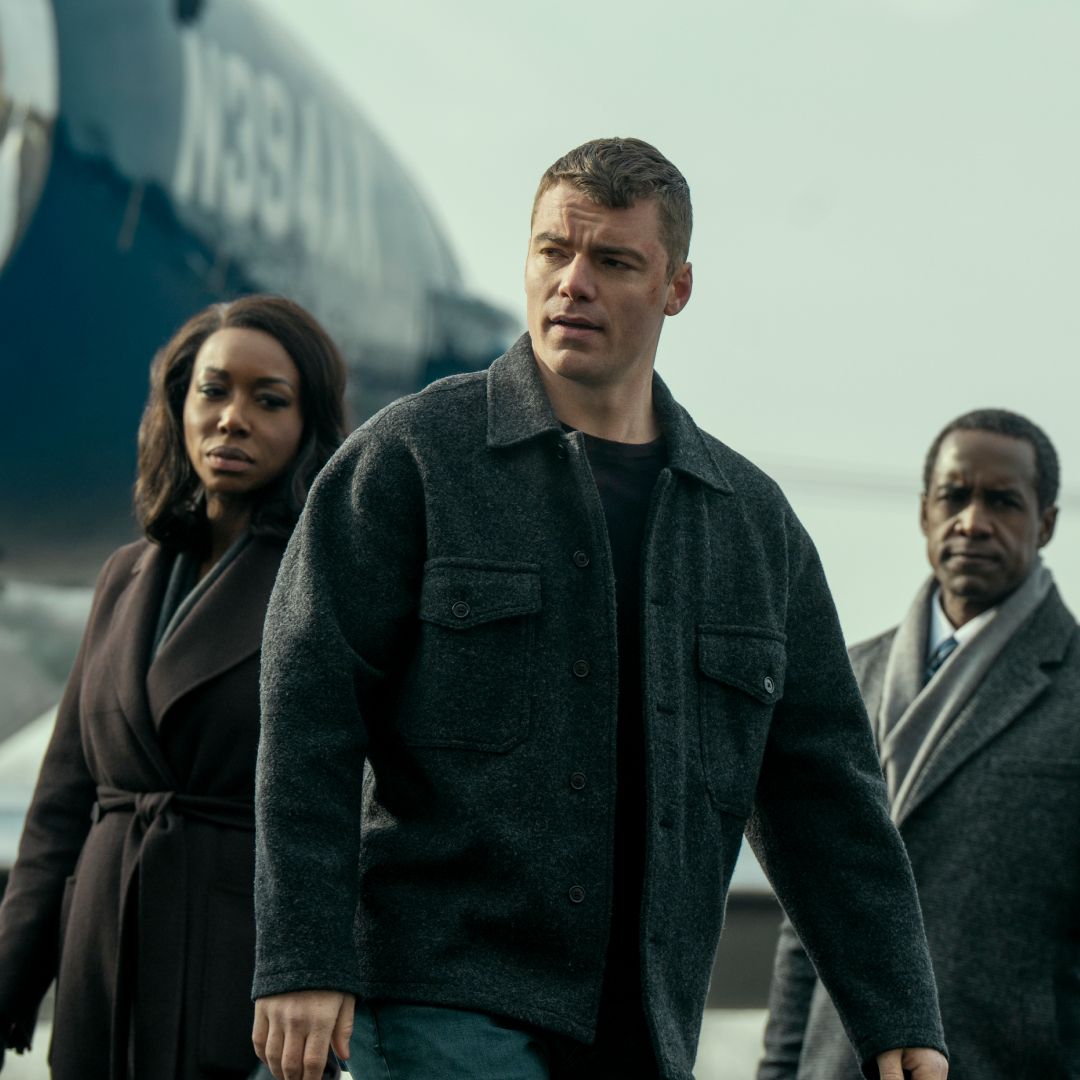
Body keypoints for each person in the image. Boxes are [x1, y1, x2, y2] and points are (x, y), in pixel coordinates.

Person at [252, 138, 948, 1080]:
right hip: (437, 1005)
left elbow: (824, 793)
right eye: (553, 252)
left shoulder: (752, 525)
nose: (572, 283)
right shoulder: (412, 459)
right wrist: (304, 957)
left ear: (677, 287)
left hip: (644, 1028)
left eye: (613, 261)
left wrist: (898, 1013)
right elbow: (308, 713)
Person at [0, 295, 347, 1080]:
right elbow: (60, 805)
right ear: (180, 404)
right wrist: (10, 981)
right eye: (213, 390)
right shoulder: (124, 577)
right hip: (104, 948)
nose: (232, 418)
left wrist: (319, 968)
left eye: (270, 400)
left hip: (243, 961)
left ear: (308, 426)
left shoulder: (329, 577)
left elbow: (357, 800)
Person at [758, 409, 1080, 1080]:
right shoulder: (850, 676)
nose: (972, 521)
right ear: (925, 512)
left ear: (1045, 523)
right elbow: (805, 916)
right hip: (838, 1064)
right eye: (954, 496)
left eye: (1002, 502)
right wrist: (780, 1069)